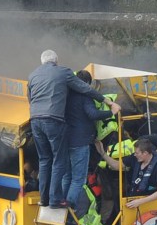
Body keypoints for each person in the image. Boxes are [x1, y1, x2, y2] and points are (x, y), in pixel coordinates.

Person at [28, 50, 120, 209]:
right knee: (74, 175)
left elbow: (30, 98)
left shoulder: (33, 76)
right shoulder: (65, 74)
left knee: (50, 163)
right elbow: (90, 103)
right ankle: (65, 204)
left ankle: (46, 199)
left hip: (36, 121)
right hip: (69, 134)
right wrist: (109, 106)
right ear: (56, 61)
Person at [62, 69, 115, 216]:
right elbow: (93, 114)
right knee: (78, 178)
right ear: (87, 83)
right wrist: (112, 112)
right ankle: (70, 208)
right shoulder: (85, 97)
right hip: (80, 141)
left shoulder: (65, 94)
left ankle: (61, 203)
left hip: (64, 140)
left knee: (66, 175)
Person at [94, 138, 157, 209]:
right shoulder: (134, 158)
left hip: (150, 203)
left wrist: (140, 202)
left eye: (137, 153)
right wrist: (102, 153)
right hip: (133, 199)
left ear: (145, 153)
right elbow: (116, 165)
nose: (135, 154)